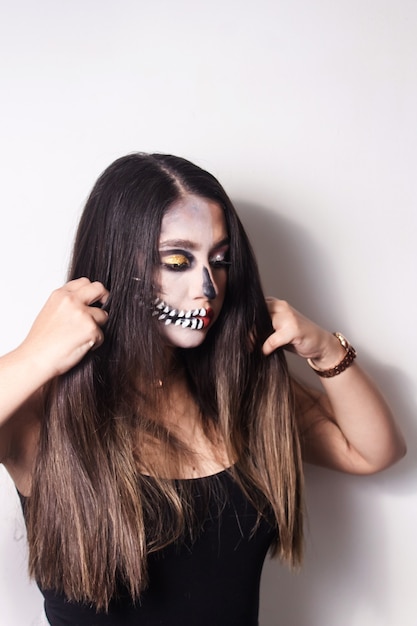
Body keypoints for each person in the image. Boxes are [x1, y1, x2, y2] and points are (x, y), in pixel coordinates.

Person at [0, 153, 405, 626]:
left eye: (220, 259)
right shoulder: (44, 414)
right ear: (115, 261)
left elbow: (374, 451)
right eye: (177, 260)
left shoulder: (234, 388)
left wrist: (325, 350)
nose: (207, 287)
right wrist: (36, 354)